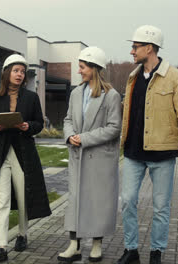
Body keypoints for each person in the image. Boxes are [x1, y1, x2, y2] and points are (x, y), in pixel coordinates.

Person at [117, 25, 178, 264]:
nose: (131, 51)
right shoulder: (132, 77)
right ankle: (131, 250)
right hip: (133, 153)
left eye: (135, 46)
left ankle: (156, 253)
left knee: (161, 207)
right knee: (128, 200)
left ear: (149, 48)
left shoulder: (175, 77)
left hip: (163, 154)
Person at [0, 54, 52, 262]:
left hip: (23, 153)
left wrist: (28, 126)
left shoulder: (31, 97)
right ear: (7, 72)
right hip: (0, 154)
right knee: (2, 200)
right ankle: (2, 245)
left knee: (23, 196)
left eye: (22, 72)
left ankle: (22, 234)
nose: (19, 75)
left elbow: (39, 123)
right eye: (16, 70)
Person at [59, 46, 122, 263]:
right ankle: (74, 246)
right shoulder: (76, 93)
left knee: (97, 201)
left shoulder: (111, 96)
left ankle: (96, 244)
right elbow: (67, 119)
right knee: (75, 200)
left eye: (82, 67)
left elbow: (114, 128)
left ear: (94, 68)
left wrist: (84, 138)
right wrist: (69, 136)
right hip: (78, 156)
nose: (79, 71)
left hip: (99, 159)